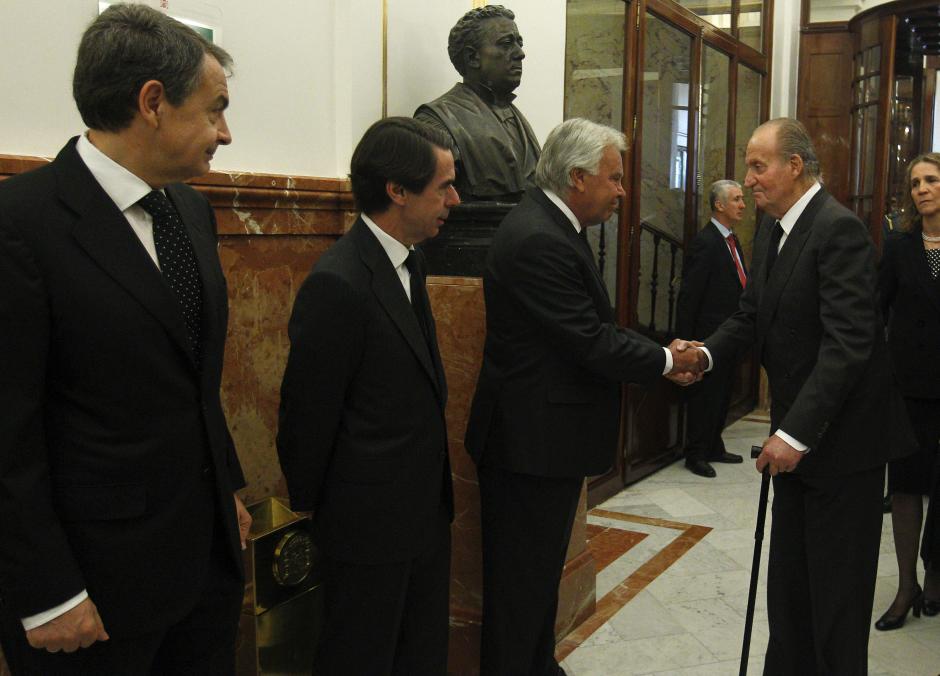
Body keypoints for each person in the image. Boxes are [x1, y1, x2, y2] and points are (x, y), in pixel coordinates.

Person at [0, 4, 251, 673]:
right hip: (92, 594)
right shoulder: (21, 225)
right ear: (152, 103)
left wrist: (223, 488)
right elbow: (7, 429)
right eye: (214, 109)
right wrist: (46, 591)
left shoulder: (190, 210)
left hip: (202, 572)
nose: (225, 134)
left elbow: (190, 375)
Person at [464, 117, 704, 675]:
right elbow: (591, 342)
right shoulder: (538, 238)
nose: (622, 191)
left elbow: (593, 328)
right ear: (577, 177)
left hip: (543, 442)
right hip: (528, 444)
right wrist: (669, 361)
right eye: (614, 178)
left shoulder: (553, 226)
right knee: (521, 585)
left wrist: (657, 349)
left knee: (537, 578)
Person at [688, 118, 914, 674]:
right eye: (748, 165)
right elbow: (750, 314)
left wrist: (793, 433)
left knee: (835, 597)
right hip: (795, 444)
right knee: (791, 588)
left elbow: (848, 345)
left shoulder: (838, 229)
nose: (750, 179)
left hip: (842, 449)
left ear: (795, 166)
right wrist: (704, 355)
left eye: (758, 165)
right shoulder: (771, 229)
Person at [277, 117, 458, 675]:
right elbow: (307, 415)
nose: (455, 199)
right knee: (361, 655)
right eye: (443, 186)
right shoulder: (339, 283)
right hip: (366, 525)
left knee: (419, 653)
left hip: (422, 511)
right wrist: (316, 509)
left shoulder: (411, 258)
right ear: (397, 191)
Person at [874, 153, 940, 629]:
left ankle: (935, 576)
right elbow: (875, 310)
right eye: (916, 182)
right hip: (907, 389)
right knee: (904, 490)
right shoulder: (898, 247)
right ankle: (905, 585)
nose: (923, 189)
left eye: (932, 180)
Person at [415, 4, 540, 202]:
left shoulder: (515, 116)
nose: (520, 53)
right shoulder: (439, 121)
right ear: (472, 57)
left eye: (519, 43)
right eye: (506, 43)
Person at [675, 179, 747, 478]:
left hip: (729, 334)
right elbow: (690, 295)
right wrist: (685, 341)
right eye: (737, 199)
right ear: (719, 205)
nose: (743, 205)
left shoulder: (731, 239)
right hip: (707, 335)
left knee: (722, 394)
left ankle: (714, 445)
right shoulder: (706, 242)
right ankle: (696, 453)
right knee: (705, 396)